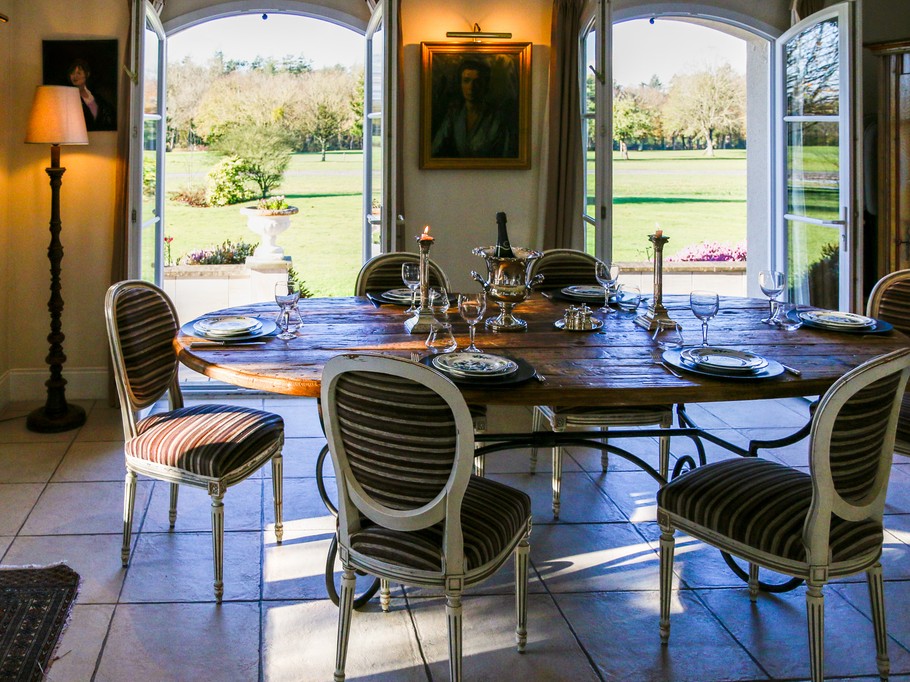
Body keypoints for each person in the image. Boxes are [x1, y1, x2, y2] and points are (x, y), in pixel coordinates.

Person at [431, 58, 516, 159]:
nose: (471, 87)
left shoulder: (498, 119)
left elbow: (506, 157)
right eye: (466, 81)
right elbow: (435, 149)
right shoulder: (454, 115)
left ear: (485, 85)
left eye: (477, 82)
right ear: (461, 84)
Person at [67, 58, 115, 131]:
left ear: (87, 74)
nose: (75, 76)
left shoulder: (96, 96)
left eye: (79, 73)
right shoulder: (69, 98)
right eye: (72, 73)